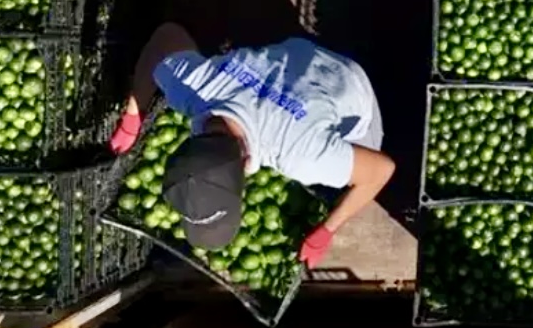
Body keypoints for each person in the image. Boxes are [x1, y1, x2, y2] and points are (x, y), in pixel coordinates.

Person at [109, 23, 396, 269]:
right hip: (298, 56)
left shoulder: (301, 157)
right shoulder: (193, 87)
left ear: (246, 164)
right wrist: (135, 113)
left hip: (352, 87)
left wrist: (327, 229)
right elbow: (166, 37)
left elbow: (381, 170)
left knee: (342, 181)